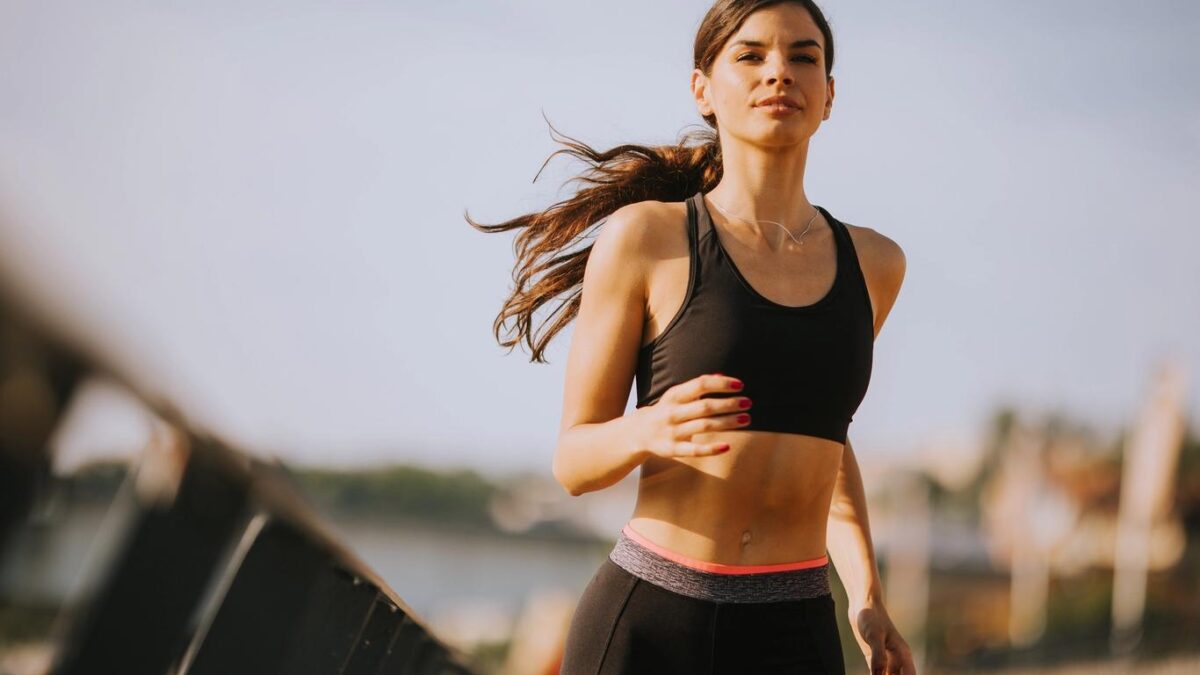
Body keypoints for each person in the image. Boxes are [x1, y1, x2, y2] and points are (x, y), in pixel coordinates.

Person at [468, 1, 915, 672]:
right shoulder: (647, 239)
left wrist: (868, 596)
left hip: (795, 629)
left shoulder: (875, 264)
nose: (779, 73)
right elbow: (573, 459)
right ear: (702, 89)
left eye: (803, 57)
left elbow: (827, 434)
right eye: (751, 55)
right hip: (652, 619)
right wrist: (650, 427)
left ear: (828, 96)